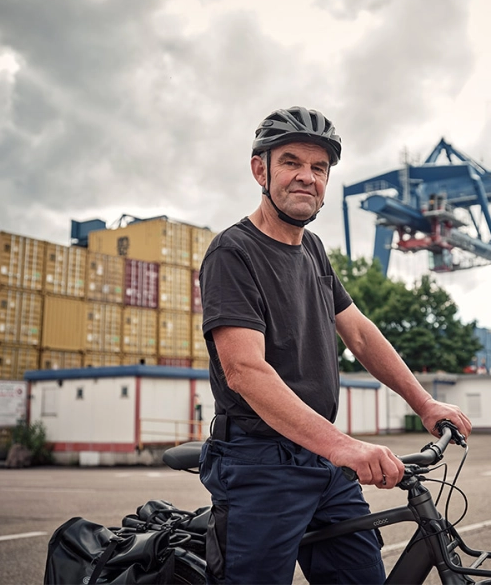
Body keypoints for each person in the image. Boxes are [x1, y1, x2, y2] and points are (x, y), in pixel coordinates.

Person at [199, 106, 472, 584]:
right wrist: (345, 447)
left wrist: (424, 403)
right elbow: (245, 372)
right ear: (260, 170)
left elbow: (361, 334)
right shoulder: (232, 252)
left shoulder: (313, 250)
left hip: (320, 456)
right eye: (291, 162)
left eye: (319, 168)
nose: (307, 177)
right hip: (259, 461)